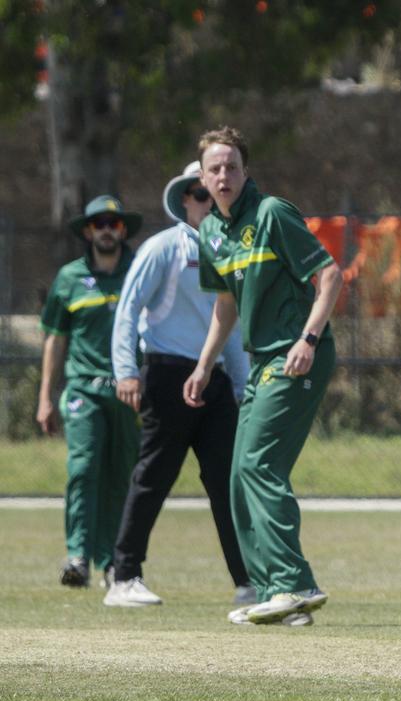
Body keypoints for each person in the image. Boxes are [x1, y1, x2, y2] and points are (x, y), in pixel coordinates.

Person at [182, 126, 343, 627]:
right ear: (202, 178)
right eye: (214, 168)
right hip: (261, 362)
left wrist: (308, 340)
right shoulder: (211, 231)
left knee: (258, 464)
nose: (223, 175)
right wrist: (205, 363)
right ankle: (280, 595)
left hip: (296, 356)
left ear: (245, 171)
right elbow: (225, 306)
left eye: (231, 166)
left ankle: (295, 582)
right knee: (237, 476)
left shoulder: (272, 214)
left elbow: (330, 274)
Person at [104, 161, 254, 609]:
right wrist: (126, 370)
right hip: (168, 373)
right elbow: (128, 310)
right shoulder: (163, 247)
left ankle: (247, 582)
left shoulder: (228, 251)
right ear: (186, 199)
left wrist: (242, 387)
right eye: (200, 194)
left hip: (215, 381)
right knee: (154, 477)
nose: (210, 201)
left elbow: (229, 326)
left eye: (215, 193)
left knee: (229, 483)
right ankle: (123, 575)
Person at [37, 195, 142, 589]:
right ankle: (78, 556)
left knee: (121, 476)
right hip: (83, 389)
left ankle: (112, 560)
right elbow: (55, 340)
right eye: (99, 223)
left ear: (122, 230)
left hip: (129, 390)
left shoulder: (137, 270)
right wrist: (46, 396)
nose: (106, 230)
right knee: (83, 468)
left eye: (114, 224)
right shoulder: (69, 278)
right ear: (87, 230)